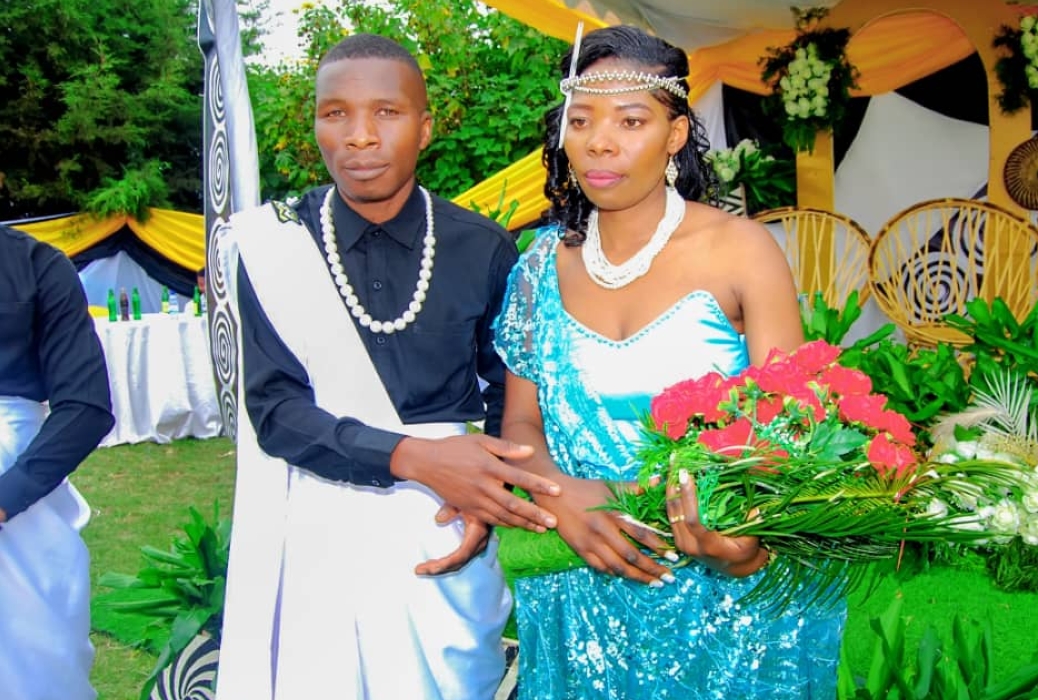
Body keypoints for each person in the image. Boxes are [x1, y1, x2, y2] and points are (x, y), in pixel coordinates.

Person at [494, 25, 847, 698]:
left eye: (631, 121)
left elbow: (788, 424)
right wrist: (560, 499)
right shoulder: (538, 265)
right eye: (582, 120)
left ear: (676, 133)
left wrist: (742, 534)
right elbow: (519, 424)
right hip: (584, 590)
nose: (600, 141)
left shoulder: (743, 250)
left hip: (721, 596)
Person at [214, 34, 561, 700]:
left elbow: (508, 399)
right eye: (335, 113)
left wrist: (489, 498)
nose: (359, 136)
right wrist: (411, 456)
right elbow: (274, 411)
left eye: (387, 113)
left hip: (448, 518)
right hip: (314, 513)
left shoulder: (482, 247)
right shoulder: (275, 245)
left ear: (425, 126)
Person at [0, 223, 114, 699]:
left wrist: (8, 497)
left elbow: (86, 405)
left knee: (32, 663)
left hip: (20, 504)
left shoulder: (39, 266)